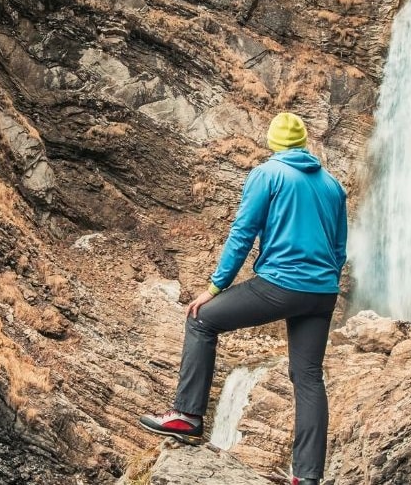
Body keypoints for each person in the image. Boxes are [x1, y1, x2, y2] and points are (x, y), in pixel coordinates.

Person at [140, 112, 347, 485]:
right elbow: (339, 247)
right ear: (303, 143)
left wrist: (215, 287)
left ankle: (187, 416)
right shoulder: (333, 185)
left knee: (201, 320)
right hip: (322, 292)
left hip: (281, 284)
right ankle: (307, 476)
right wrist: (325, 280)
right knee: (308, 376)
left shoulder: (267, 174)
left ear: (273, 142)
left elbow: (242, 233)